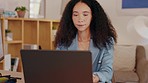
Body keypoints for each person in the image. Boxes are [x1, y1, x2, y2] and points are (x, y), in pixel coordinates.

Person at [55, 0, 117, 82]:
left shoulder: (106, 41)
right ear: (71, 17)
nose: (80, 19)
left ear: (93, 16)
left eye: (85, 14)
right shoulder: (63, 41)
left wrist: (95, 77)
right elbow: (58, 69)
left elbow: (107, 71)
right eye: (76, 14)